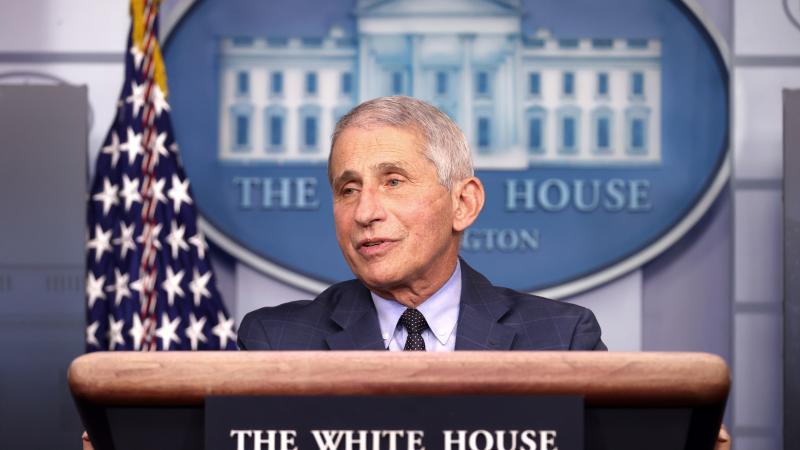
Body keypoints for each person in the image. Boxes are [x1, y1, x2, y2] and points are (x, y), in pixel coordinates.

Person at [237, 96, 605, 351]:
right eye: (348, 189)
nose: (365, 213)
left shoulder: (561, 338)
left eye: (393, 182)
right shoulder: (276, 341)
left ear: (463, 203)